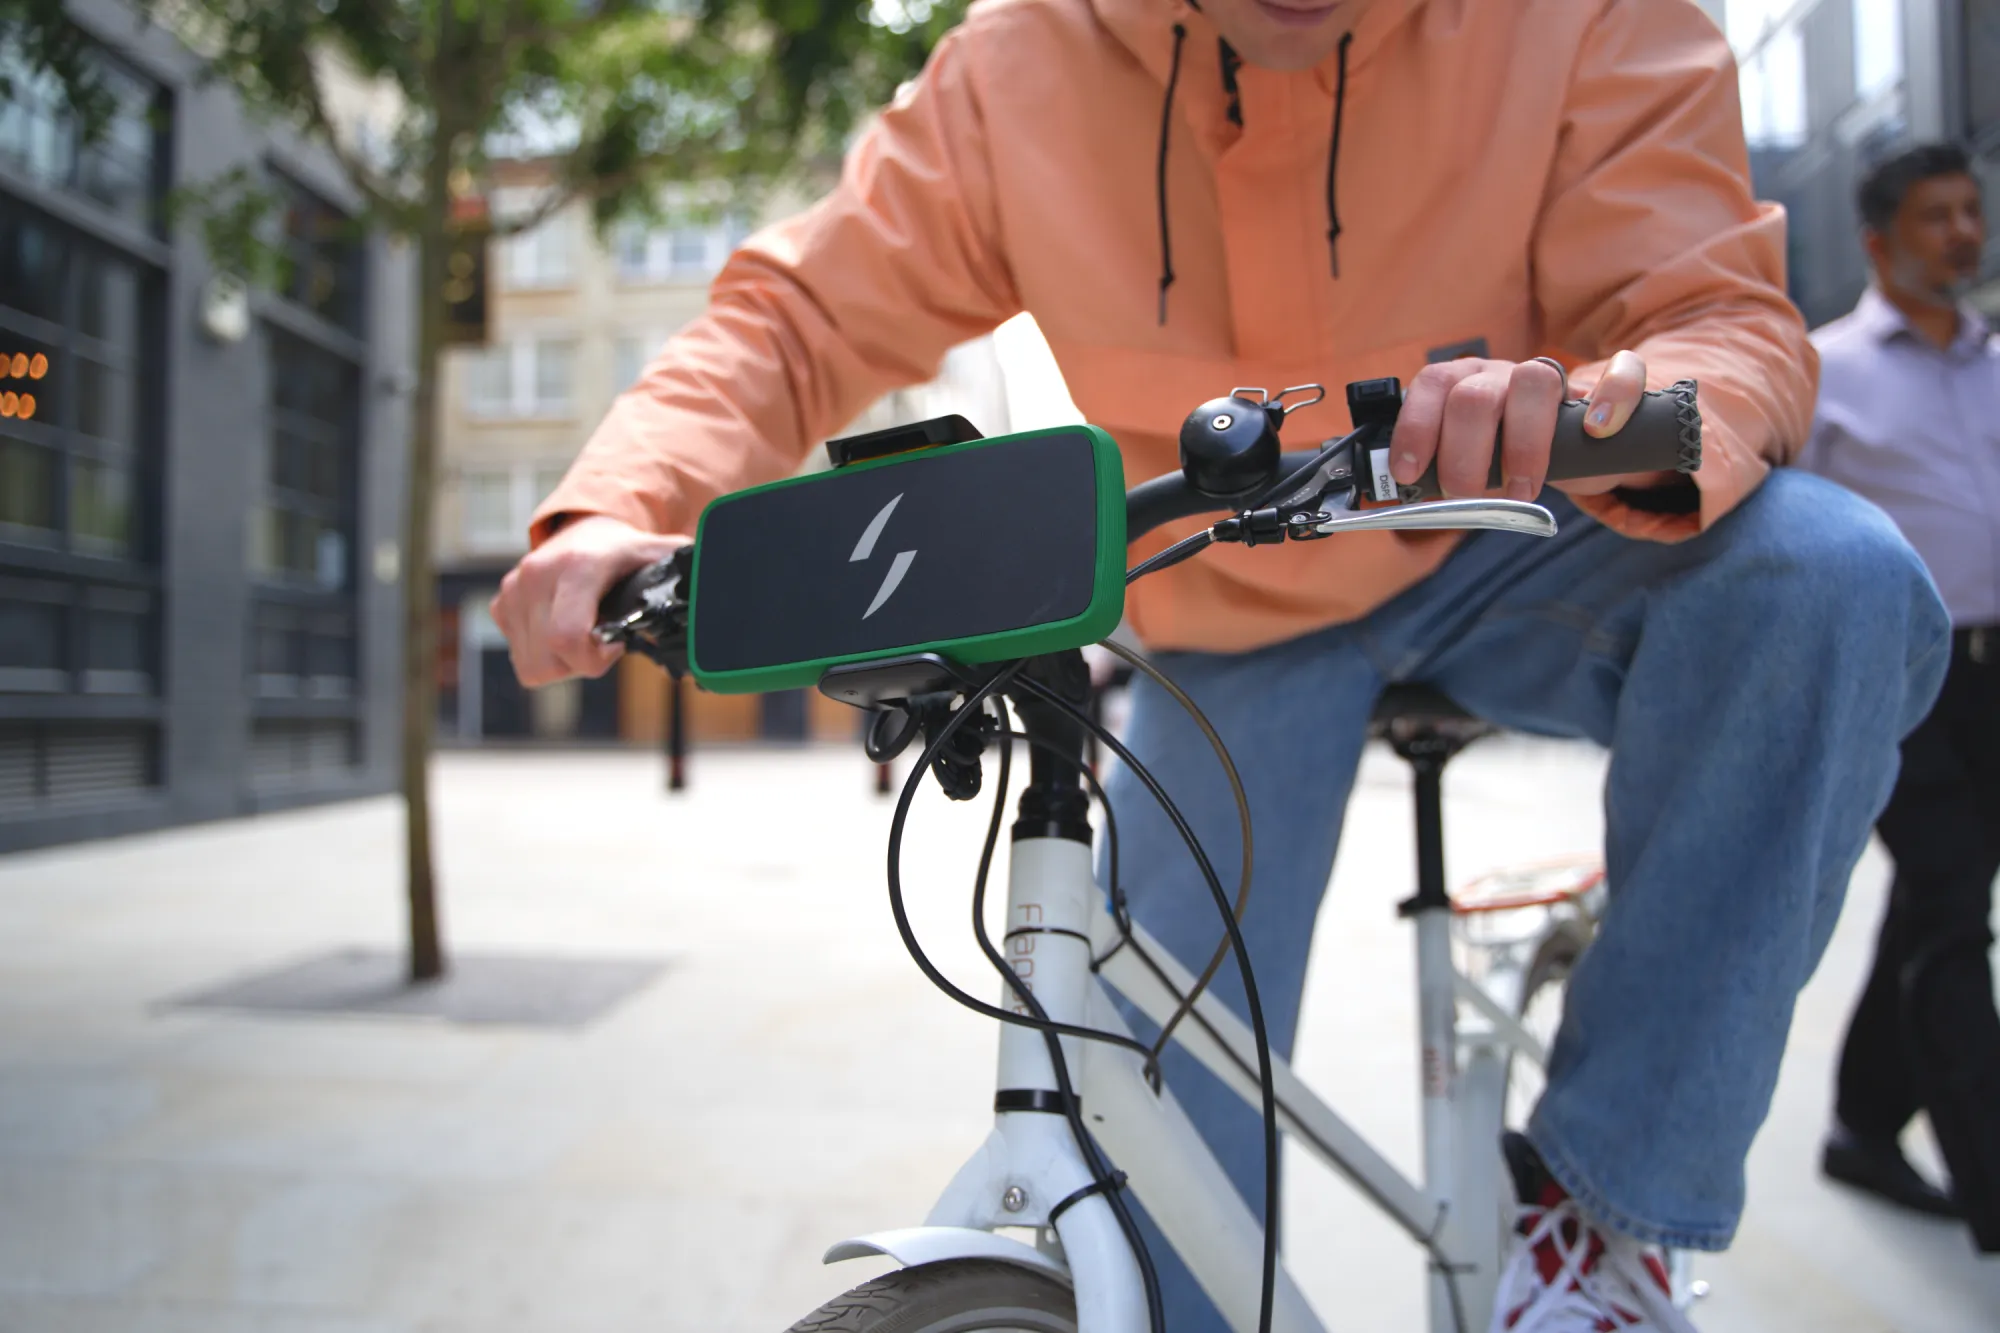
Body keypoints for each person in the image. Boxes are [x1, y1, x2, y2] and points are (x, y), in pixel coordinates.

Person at [493, 0, 1950, 1326]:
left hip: (1499, 529)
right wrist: (623, 500)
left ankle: (1605, 1216)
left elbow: (1715, 313)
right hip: (1222, 608)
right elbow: (799, 312)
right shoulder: (1020, 63)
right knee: (1156, 1184)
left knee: (1827, 580)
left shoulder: (1578, 19)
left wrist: (1618, 405)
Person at [1800, 143, 1999, 1253]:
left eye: (1969, 212)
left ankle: (1859, 1123)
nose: (1962, 233)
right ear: (1878, 242)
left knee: (1935, 902)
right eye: (1936, 216)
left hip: (1997, 679)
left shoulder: (1993, 364)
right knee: (1950, 905)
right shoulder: (1823, 372)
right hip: (1900, 680)